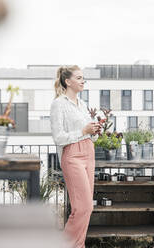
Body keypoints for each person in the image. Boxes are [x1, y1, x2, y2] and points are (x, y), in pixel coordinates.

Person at [50, 65, 100, 248]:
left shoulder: (83, 104)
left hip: (89, 152)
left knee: (88, 207)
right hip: (72, 155)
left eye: (83, 78)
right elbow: (58, 137)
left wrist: (94, 131)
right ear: (68, 81)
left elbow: (88, 133)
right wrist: (83, 131)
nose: (83, 81)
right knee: (82, 207)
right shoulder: (58, 104)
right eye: (79, 78)